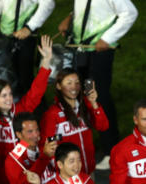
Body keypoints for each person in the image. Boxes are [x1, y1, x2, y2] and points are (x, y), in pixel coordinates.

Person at [57, 0, 138, 168]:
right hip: (81, 50)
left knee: (97, 95)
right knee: (79, 94)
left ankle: (111, 150)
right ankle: (84, 141)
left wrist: (108, 38)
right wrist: (70, 18)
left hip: (99, 52)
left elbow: (130, 13)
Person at [0, 36, 53, 184]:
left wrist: (46, 62)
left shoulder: (19, 111)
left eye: (10, 94)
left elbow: (35, 93)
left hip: (23, 179)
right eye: (3, 96)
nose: (9, 99)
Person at [40, 68, 108, 175]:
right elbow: (47, 146)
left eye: (77, 83)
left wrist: (94, 103)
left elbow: (103, 126)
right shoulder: (52, 114)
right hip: (67, 175)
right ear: (59, 86)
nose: (74, 87)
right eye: (69, 83)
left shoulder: (85, 105)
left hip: (88, 171)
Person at [0, 0, 57, 90]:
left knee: (24, 76)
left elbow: (49, 3)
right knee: (8, 72)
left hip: (23, 38)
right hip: (5, 35)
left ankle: (28, 100)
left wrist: (30, 27)